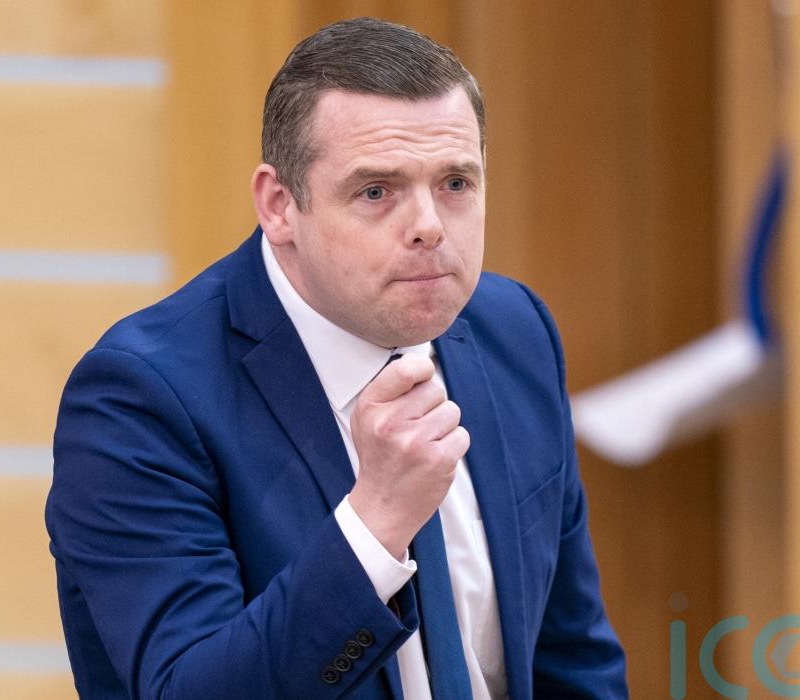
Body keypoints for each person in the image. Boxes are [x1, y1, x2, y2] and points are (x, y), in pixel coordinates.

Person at [46, 17, 627, 700]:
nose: (429, 226)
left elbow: (574, 658)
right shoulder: (141, 398)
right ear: (279, 206)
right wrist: (374, 524)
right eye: (376, 191)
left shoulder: (514, 331)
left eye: (455, 183)